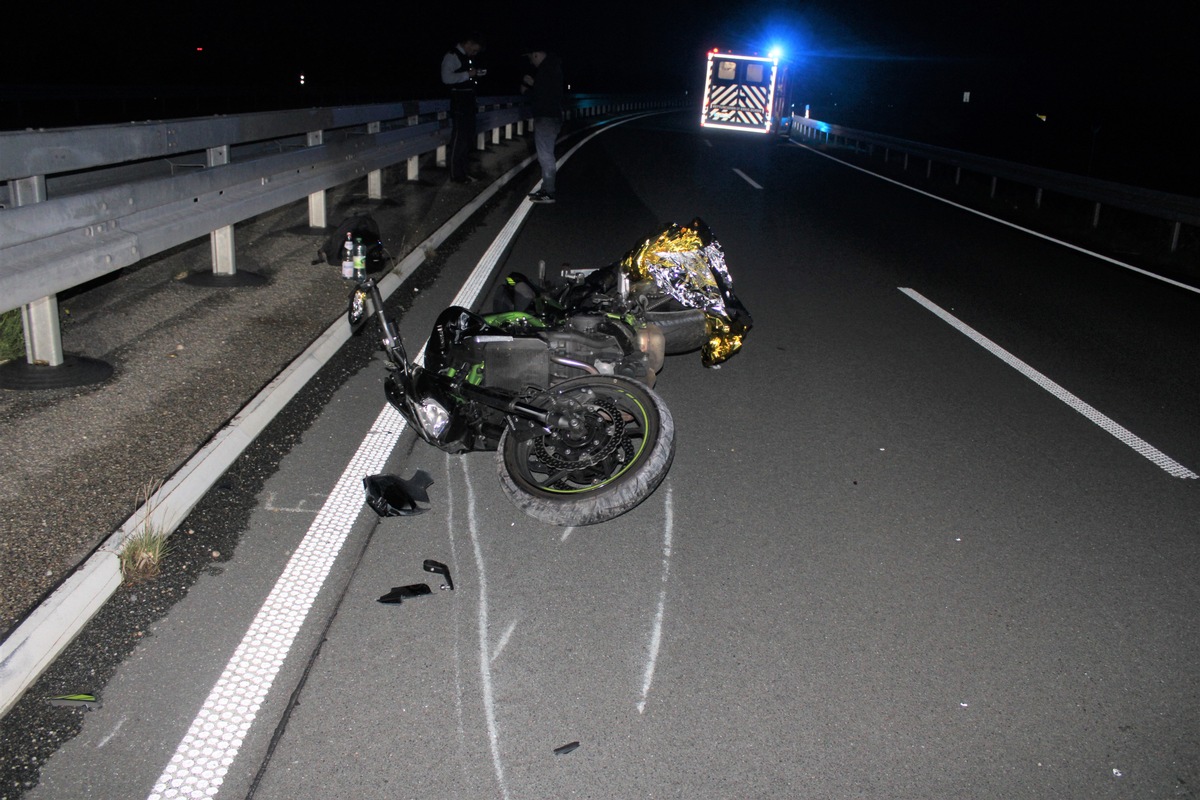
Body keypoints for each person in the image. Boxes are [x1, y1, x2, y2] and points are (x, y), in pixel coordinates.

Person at [521, 47, 565, 203]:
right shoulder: (553, 68)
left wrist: (526, 91)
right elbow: (548, 92)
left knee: (545, 156)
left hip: (546, 117)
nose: (531, 62)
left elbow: (540, 97)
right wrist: (535, 84)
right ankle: (547, 189)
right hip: (553, 116)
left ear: (536, 54)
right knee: (547, 154)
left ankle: (549, 192)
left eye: (531, 58)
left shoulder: (545, 70)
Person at [441, 34, 485, 183]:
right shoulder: (452, 55)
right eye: (474, 50)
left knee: (467, 139)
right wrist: (468, 74)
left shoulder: (465, 56)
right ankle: (456, 175)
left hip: (469, 102)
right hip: (459, 102)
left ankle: (463, 172)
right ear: (468, 43)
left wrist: (474, 75)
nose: (475, 53)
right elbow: (446, 78)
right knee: (459, 138)